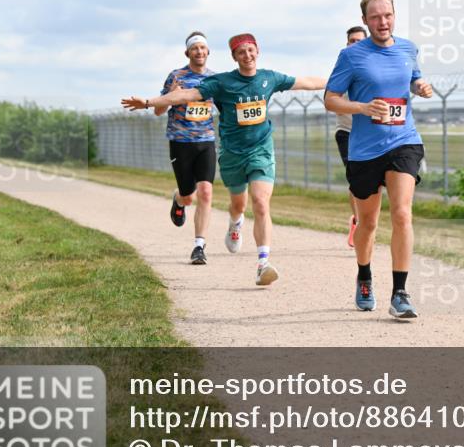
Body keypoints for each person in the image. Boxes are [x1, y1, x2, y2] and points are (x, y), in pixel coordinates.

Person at [122, 33, 326, 286]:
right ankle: (234, 222)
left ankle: (262, 264)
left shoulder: (269, 78)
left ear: (257, 51)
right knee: (236, 204)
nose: (247, 56)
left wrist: (339, 82)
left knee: (260, 202)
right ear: (234, 57)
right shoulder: (221, 82)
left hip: (260, 150)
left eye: (251, 51)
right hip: (230, 153)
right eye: (242, 52)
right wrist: (148, 102)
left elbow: (306, 82)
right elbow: (184, 96)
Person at [324, 0, 433, 319]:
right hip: (364, 149)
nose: (382, 22)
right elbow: (330, 99)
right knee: (368, 223)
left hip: (404, 140)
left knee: (401, 213)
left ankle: (400, 292)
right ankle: (365, 276)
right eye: (375, 17)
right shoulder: (352, 56)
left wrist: (421, 86)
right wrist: (360, 107)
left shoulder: (408, 48)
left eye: (387, 15)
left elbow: (412, 78)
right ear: (365, 20)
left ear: (394, 15)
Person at [152, 31, 217, 265]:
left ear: (208, 52)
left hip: (206, 141)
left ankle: (199, 246)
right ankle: (178, 200)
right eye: (195, 48)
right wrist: (171, 95)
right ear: (187, 52)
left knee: (206, 192)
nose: (199, 52)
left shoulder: (215, 79)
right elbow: (158, 110)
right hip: (181, 143)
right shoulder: (176, 76)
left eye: (203, 48)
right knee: (188, 196)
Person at [335, 26, 367, 247]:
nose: (355, 44)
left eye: (359, 41)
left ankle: (363, 219)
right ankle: (358, 222)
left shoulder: (376, 66)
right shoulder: (343, 67)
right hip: (347, 132)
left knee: (373, 184)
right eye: (351, 41)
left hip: (373, 134)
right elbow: (332, 97)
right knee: (356, 181)